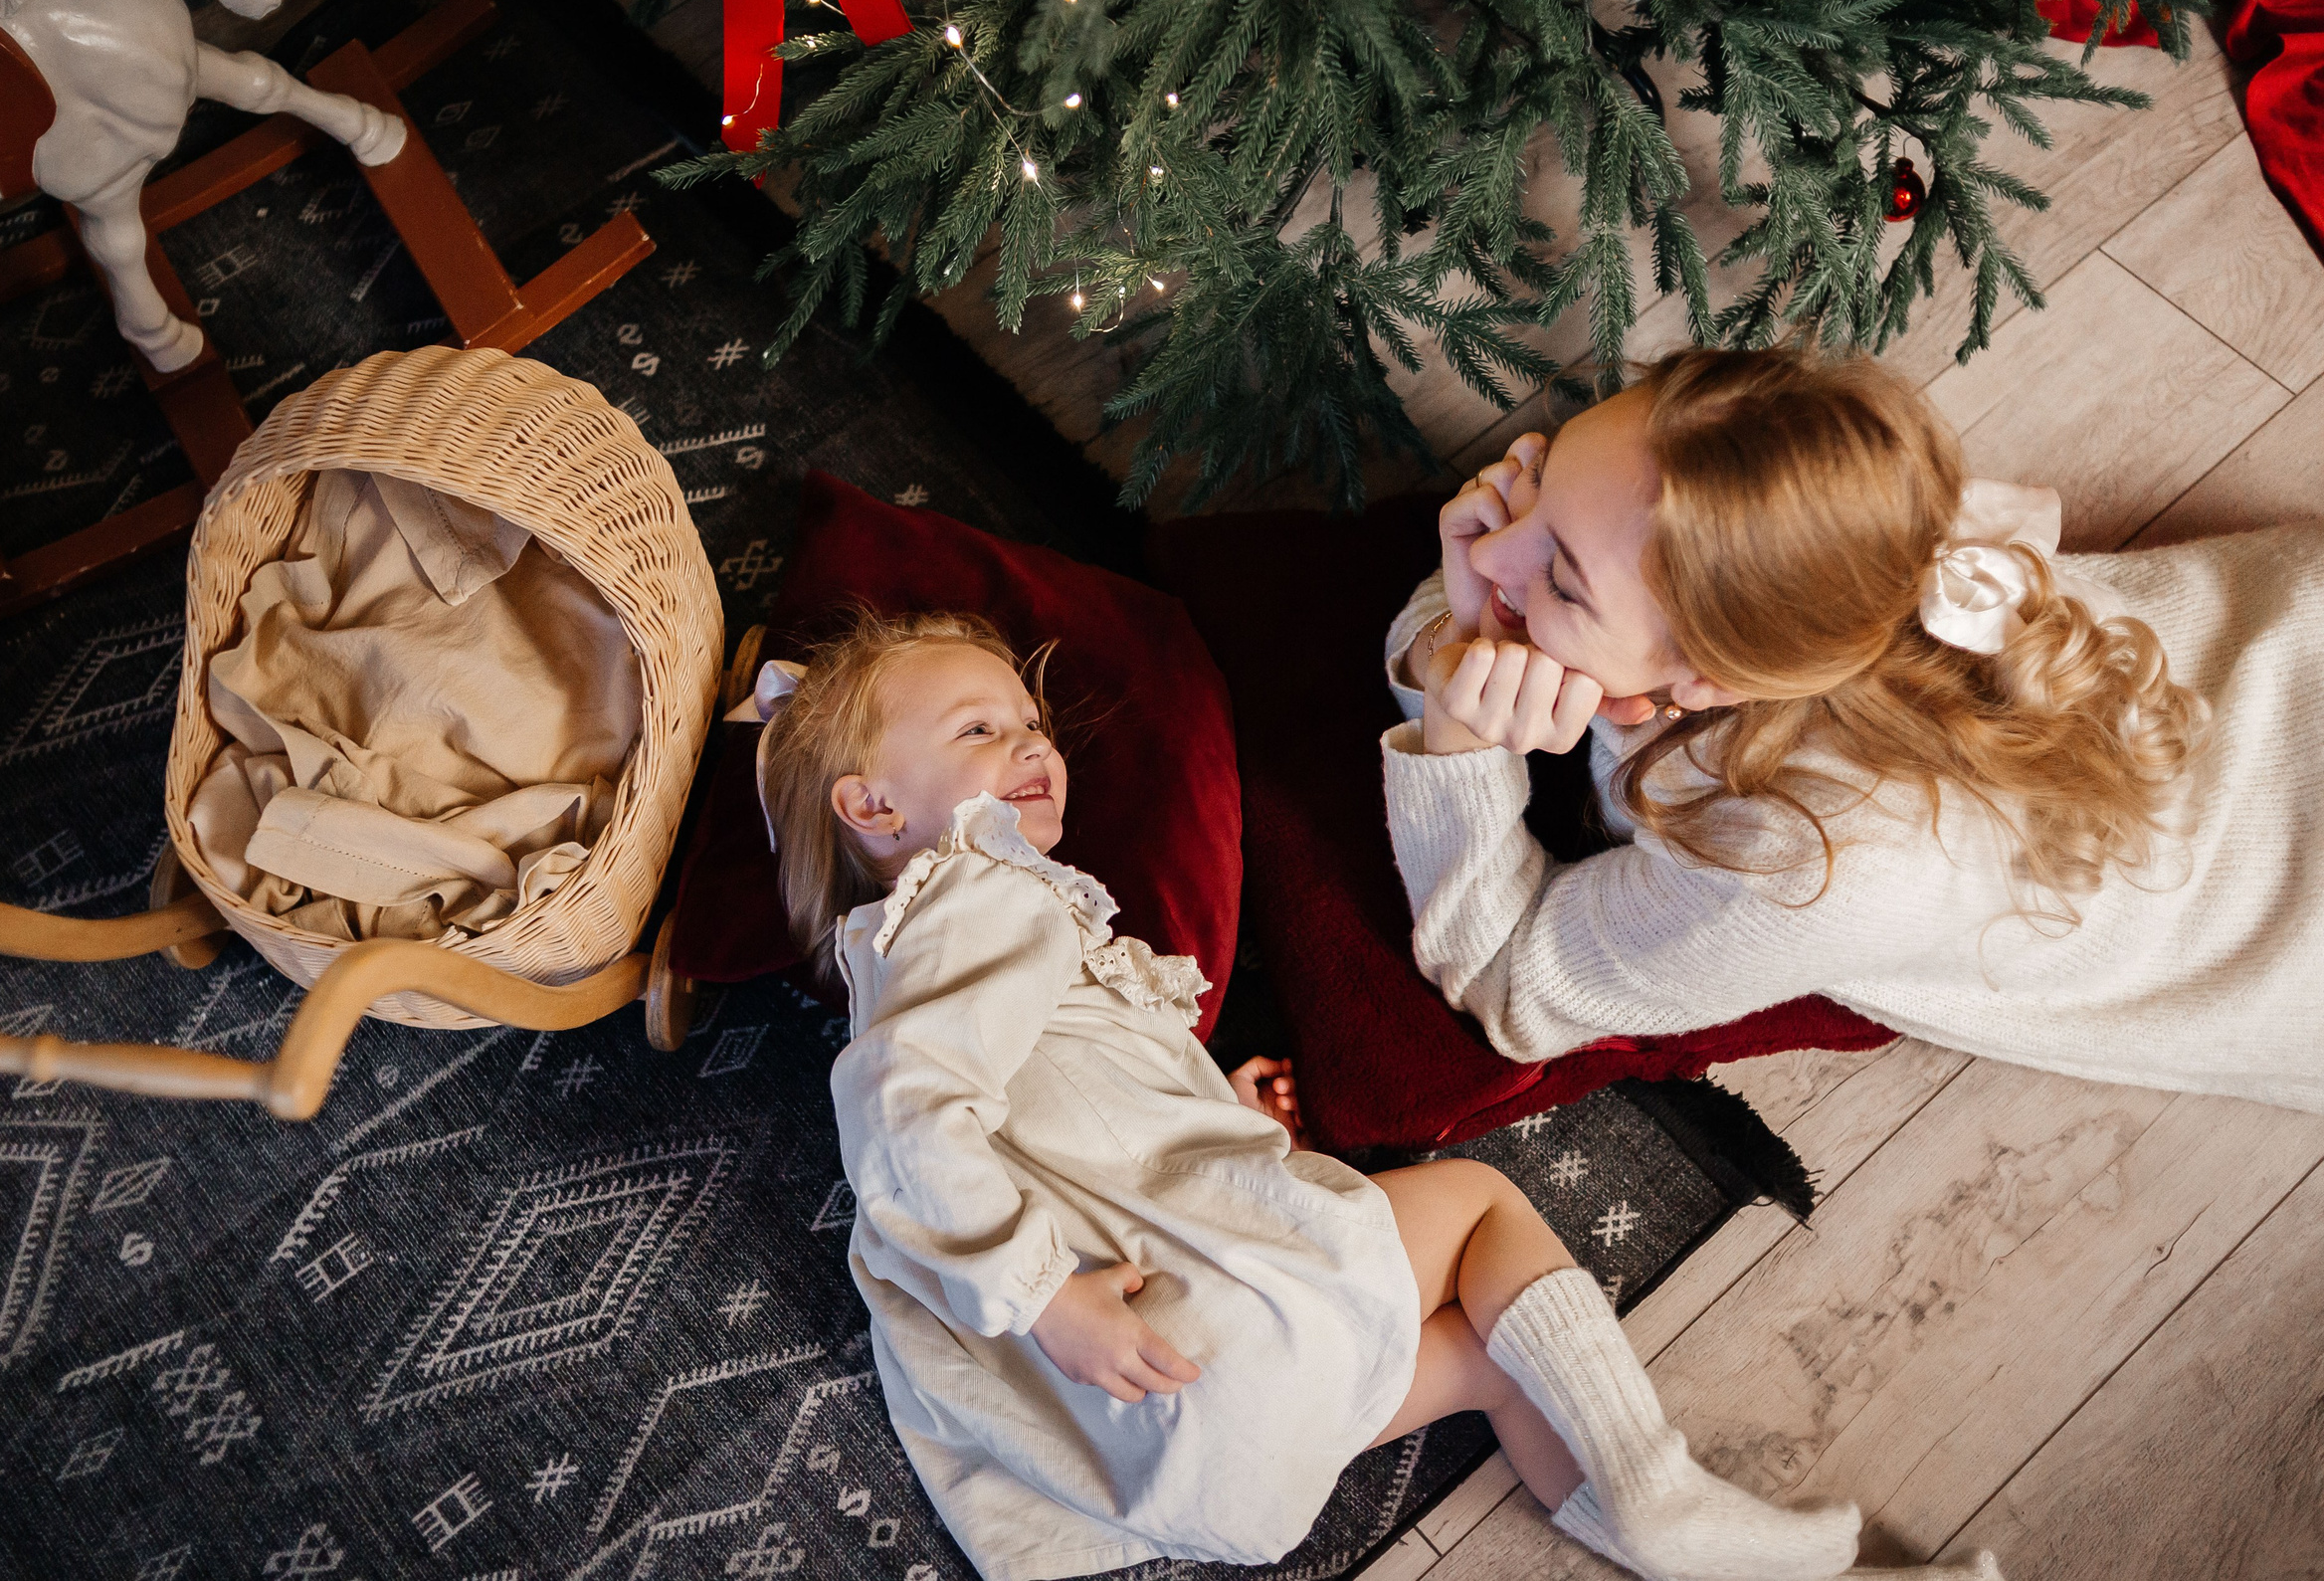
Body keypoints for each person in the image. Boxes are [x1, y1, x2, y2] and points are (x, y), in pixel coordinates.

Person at [755, 609, 1997, 1581]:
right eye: (979, 732)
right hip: (1171, 1342)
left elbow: (1063, 1114)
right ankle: (1658, 1494)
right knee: (1470, 1206)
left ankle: (1660, 1533)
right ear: (871, 806)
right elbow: (902, 1120)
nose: (1031, 745)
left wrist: (1216, 1114)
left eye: (1032, 725)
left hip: (1178, 1446)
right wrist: (1043, 1297)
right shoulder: (980, 894)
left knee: (1494, 1359)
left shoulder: (922, 957)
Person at [1383, 343, 2320, 1112]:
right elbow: (1484, 591)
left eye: (1561, 579)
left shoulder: (1807, 861)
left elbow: (1512, 986)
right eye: (1542, 476)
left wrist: (1458, 748)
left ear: (1708, 679)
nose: (1493, 545)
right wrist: (1457, 636)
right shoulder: (1823, 512)